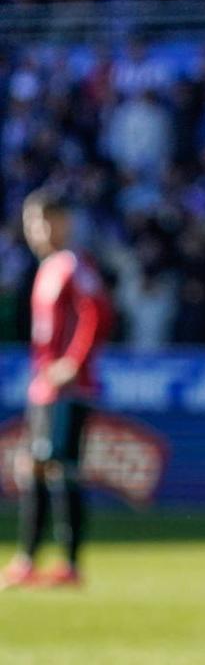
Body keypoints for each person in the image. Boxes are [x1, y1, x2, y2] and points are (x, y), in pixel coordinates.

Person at [3, 190, 111, 588]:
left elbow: (97, 312)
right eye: (33, 222)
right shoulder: (48, 268)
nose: (39, 230)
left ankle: (70, 563)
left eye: (47, 220)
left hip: (69, 387)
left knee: (61, 468)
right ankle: (27, 559)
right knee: (32, 467)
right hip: (43, 386)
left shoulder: (73, 264)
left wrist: (73, 363)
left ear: (64, 222)